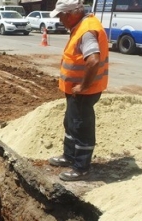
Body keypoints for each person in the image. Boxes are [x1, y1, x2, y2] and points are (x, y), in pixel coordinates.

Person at [47, 0, 109, 182]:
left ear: (71, 14)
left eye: (61, 16)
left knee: (81, 127)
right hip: (76, 92)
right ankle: (69, 156)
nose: (60, 20)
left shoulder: (86, 31)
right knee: (71, 123)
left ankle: (81, 167)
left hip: (84, 93)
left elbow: (93, 60)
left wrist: (83, 86)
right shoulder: (81, 25)